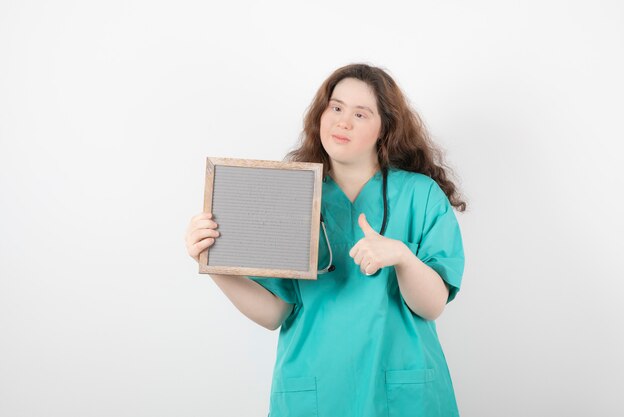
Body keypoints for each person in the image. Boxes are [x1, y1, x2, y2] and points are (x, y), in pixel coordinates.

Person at [185, 63, 466, 417]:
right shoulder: (291, 196)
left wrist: (403, 257)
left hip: (399, 395)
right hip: (315, 391)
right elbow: (275, 312)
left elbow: (432, 305)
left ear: (386, 128)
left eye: (361, 114)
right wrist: (213, 264)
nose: (342, 122)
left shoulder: (420, 195)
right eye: (335, 107)